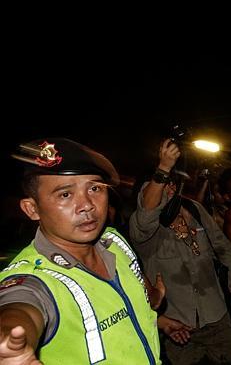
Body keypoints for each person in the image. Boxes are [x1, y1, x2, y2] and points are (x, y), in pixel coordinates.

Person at [0, 138, 162, 364]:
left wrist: (153, 304)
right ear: (32, 208)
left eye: (95, 188)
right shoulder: (34, 276)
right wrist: (10, 340)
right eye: (65, 194)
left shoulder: (112, 240)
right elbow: (21, 306)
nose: (87, 204)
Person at [129, 139, 231, 365]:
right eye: (163, 184)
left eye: (172, 182)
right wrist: (163, 168)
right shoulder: (141, 226)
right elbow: (147, 214)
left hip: (217, 317)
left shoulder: (194, 208)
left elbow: (222, 247)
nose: (169, 188)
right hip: (178, 328)